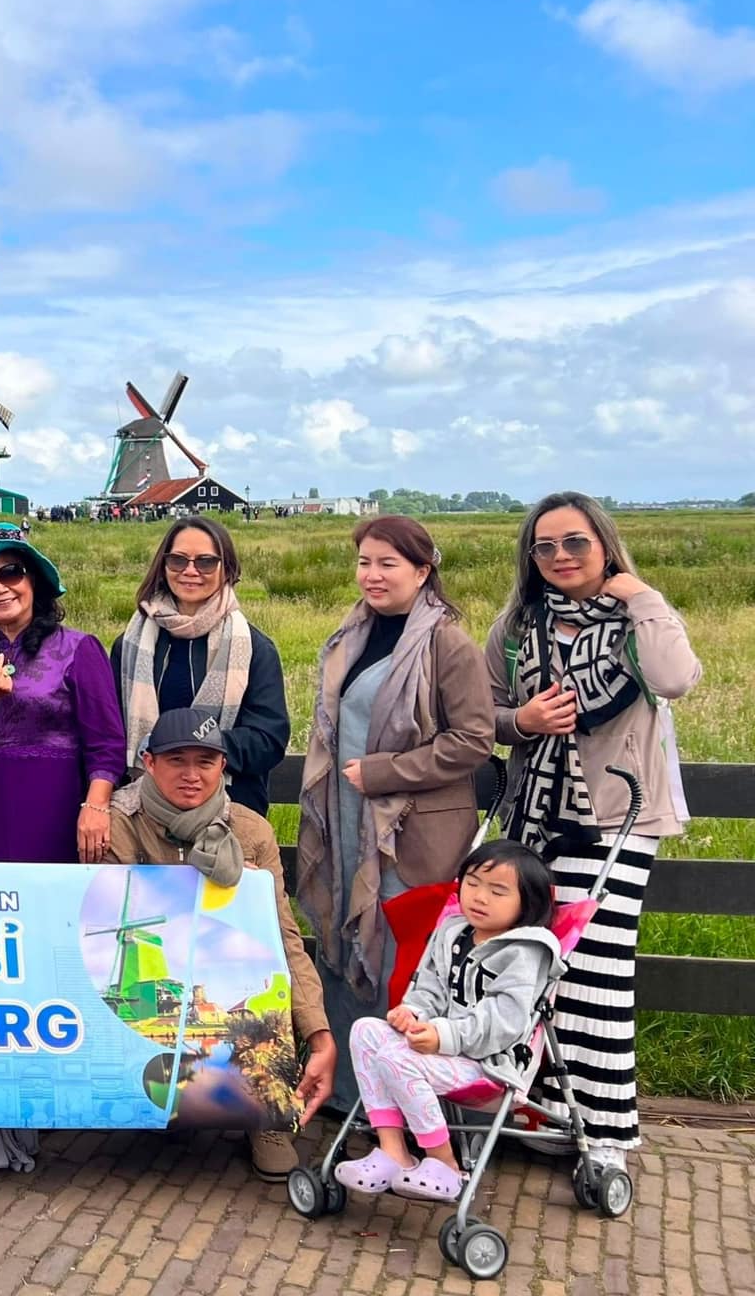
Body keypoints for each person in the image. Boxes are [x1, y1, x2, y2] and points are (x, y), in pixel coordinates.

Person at [487, 490, 701, 1171]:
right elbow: (482, 712)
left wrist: (638, 593)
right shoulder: (517, 626)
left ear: (604, 543)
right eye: (544, 546)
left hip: (617, 817)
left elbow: (676, 678)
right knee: (532, 970)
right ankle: (543, 1116)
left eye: (575, 541)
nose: (560, 556)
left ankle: (605, 1134)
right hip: (534, 819)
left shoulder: (638, 618)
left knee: (595, 974)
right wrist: (522, 722)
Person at [295, 516, 495, 1115]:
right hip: (347, 823)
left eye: (388, 563)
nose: (372, 575)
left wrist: (386, 772)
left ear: (423, 570)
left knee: (399, 958)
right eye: (364, 562)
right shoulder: (352, 635)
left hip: (411, 835)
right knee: (346, 944)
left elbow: (474, 740)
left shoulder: (446, 644)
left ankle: (411, 1104)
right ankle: (352, 1097)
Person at [105, 708, 335, 1181]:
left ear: (223, 766)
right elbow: (112, 917)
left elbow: (283, 935)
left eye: (205, 762)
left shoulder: (251, 831)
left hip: (227, 968)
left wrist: (319, 1032)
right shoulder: (119, 822)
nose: (191, 775)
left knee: (264, 990)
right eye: (177, 760)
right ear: (149, 763)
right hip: (157, 963)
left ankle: (267, 1115)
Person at [335, 842, 560, 1202]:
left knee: (395, 1059)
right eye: (472, 883)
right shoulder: (453, 932)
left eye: (497, 891)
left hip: (489, 1064)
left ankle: (446, 1164)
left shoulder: (525, 952)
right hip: (442, 1049)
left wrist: (443, 1035)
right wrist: (413, 1012)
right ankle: (394, 1151)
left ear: (527, 903)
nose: (480, 897)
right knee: (366, 1031)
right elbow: (430, 988)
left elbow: (504, 1021)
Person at [0, 524, 125, 863]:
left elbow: (106, 743)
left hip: (56, 806)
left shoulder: (77, 649)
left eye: (10, 573)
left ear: (33, 579)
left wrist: (96, 806)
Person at [112, 514, 290, 816]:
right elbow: (110, 730)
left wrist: (186, 750)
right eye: (178, 560)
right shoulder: (129, 646)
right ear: (163, 565)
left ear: (227, 568)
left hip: (229, 810)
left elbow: (268, 739)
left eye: (206, 562)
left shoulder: (255, 649)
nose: (190, 571)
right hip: (144, 812)